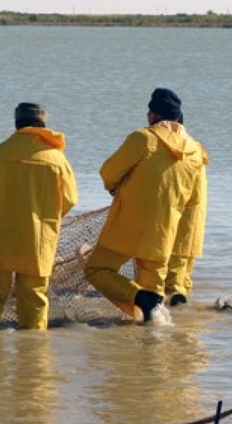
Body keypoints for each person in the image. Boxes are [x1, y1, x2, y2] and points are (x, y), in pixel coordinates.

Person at [84, 88, 208, 322]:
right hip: (164, 234)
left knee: (97, 270)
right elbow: (193, 200)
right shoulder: (194, 150)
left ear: (153, 115)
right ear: (178, 117)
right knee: (154, 303)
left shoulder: (143, 138)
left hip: (128, 226)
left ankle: (137, 296)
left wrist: (114, 186)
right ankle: (153, 345)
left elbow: (109, 172)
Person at [0, 103, 78, 331]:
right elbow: (69, 200)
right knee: (34, 296)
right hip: (37, 240)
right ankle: (34, 354)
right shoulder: (57, 159)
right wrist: (45, 216)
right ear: (43, 125)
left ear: (17, 124)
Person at [165, 133, 209, 306]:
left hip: (184, 218)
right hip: (196, 220)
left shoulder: (182, 153)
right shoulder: (196, 151)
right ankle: (186, 313)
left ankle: (176, 309)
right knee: (184, 272)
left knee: (174, 278)